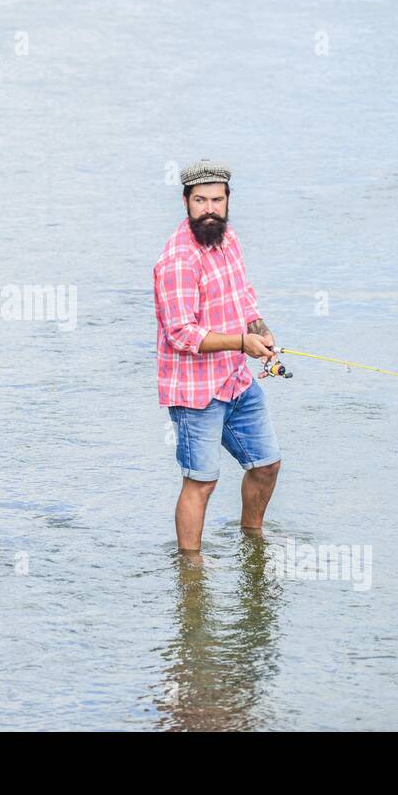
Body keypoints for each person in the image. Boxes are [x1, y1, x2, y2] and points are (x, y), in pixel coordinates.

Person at [153, 159, 283, 551]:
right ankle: (190, 571)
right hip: (196, 394)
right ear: (185, 202)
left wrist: (259, 329)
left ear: (228, 201)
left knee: (266, 465)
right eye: (200, 201)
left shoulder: (229, 241)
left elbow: (243, 297)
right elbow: (181, 334)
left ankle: (252, 539)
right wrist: (241, 343)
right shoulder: (178, 259)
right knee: (202, 482)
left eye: (216, 200)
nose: (209, 209)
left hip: (237, 381)